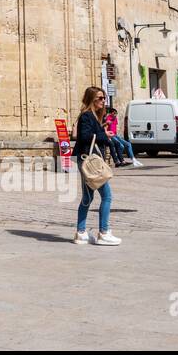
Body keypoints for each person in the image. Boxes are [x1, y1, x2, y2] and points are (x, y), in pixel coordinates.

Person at [73, 86, 121, 245]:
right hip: (89, 162)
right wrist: (103, 134)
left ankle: (81, 232)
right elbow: (85, 137)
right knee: (107, 196)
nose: (103, 101)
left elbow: (93, 136)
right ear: (91, 99)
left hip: (88, 160)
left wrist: (103, 132)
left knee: (88, 197)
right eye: (100, 98)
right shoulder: (86, 116)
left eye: (104, 98)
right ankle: (104, 232)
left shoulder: (93, 116)